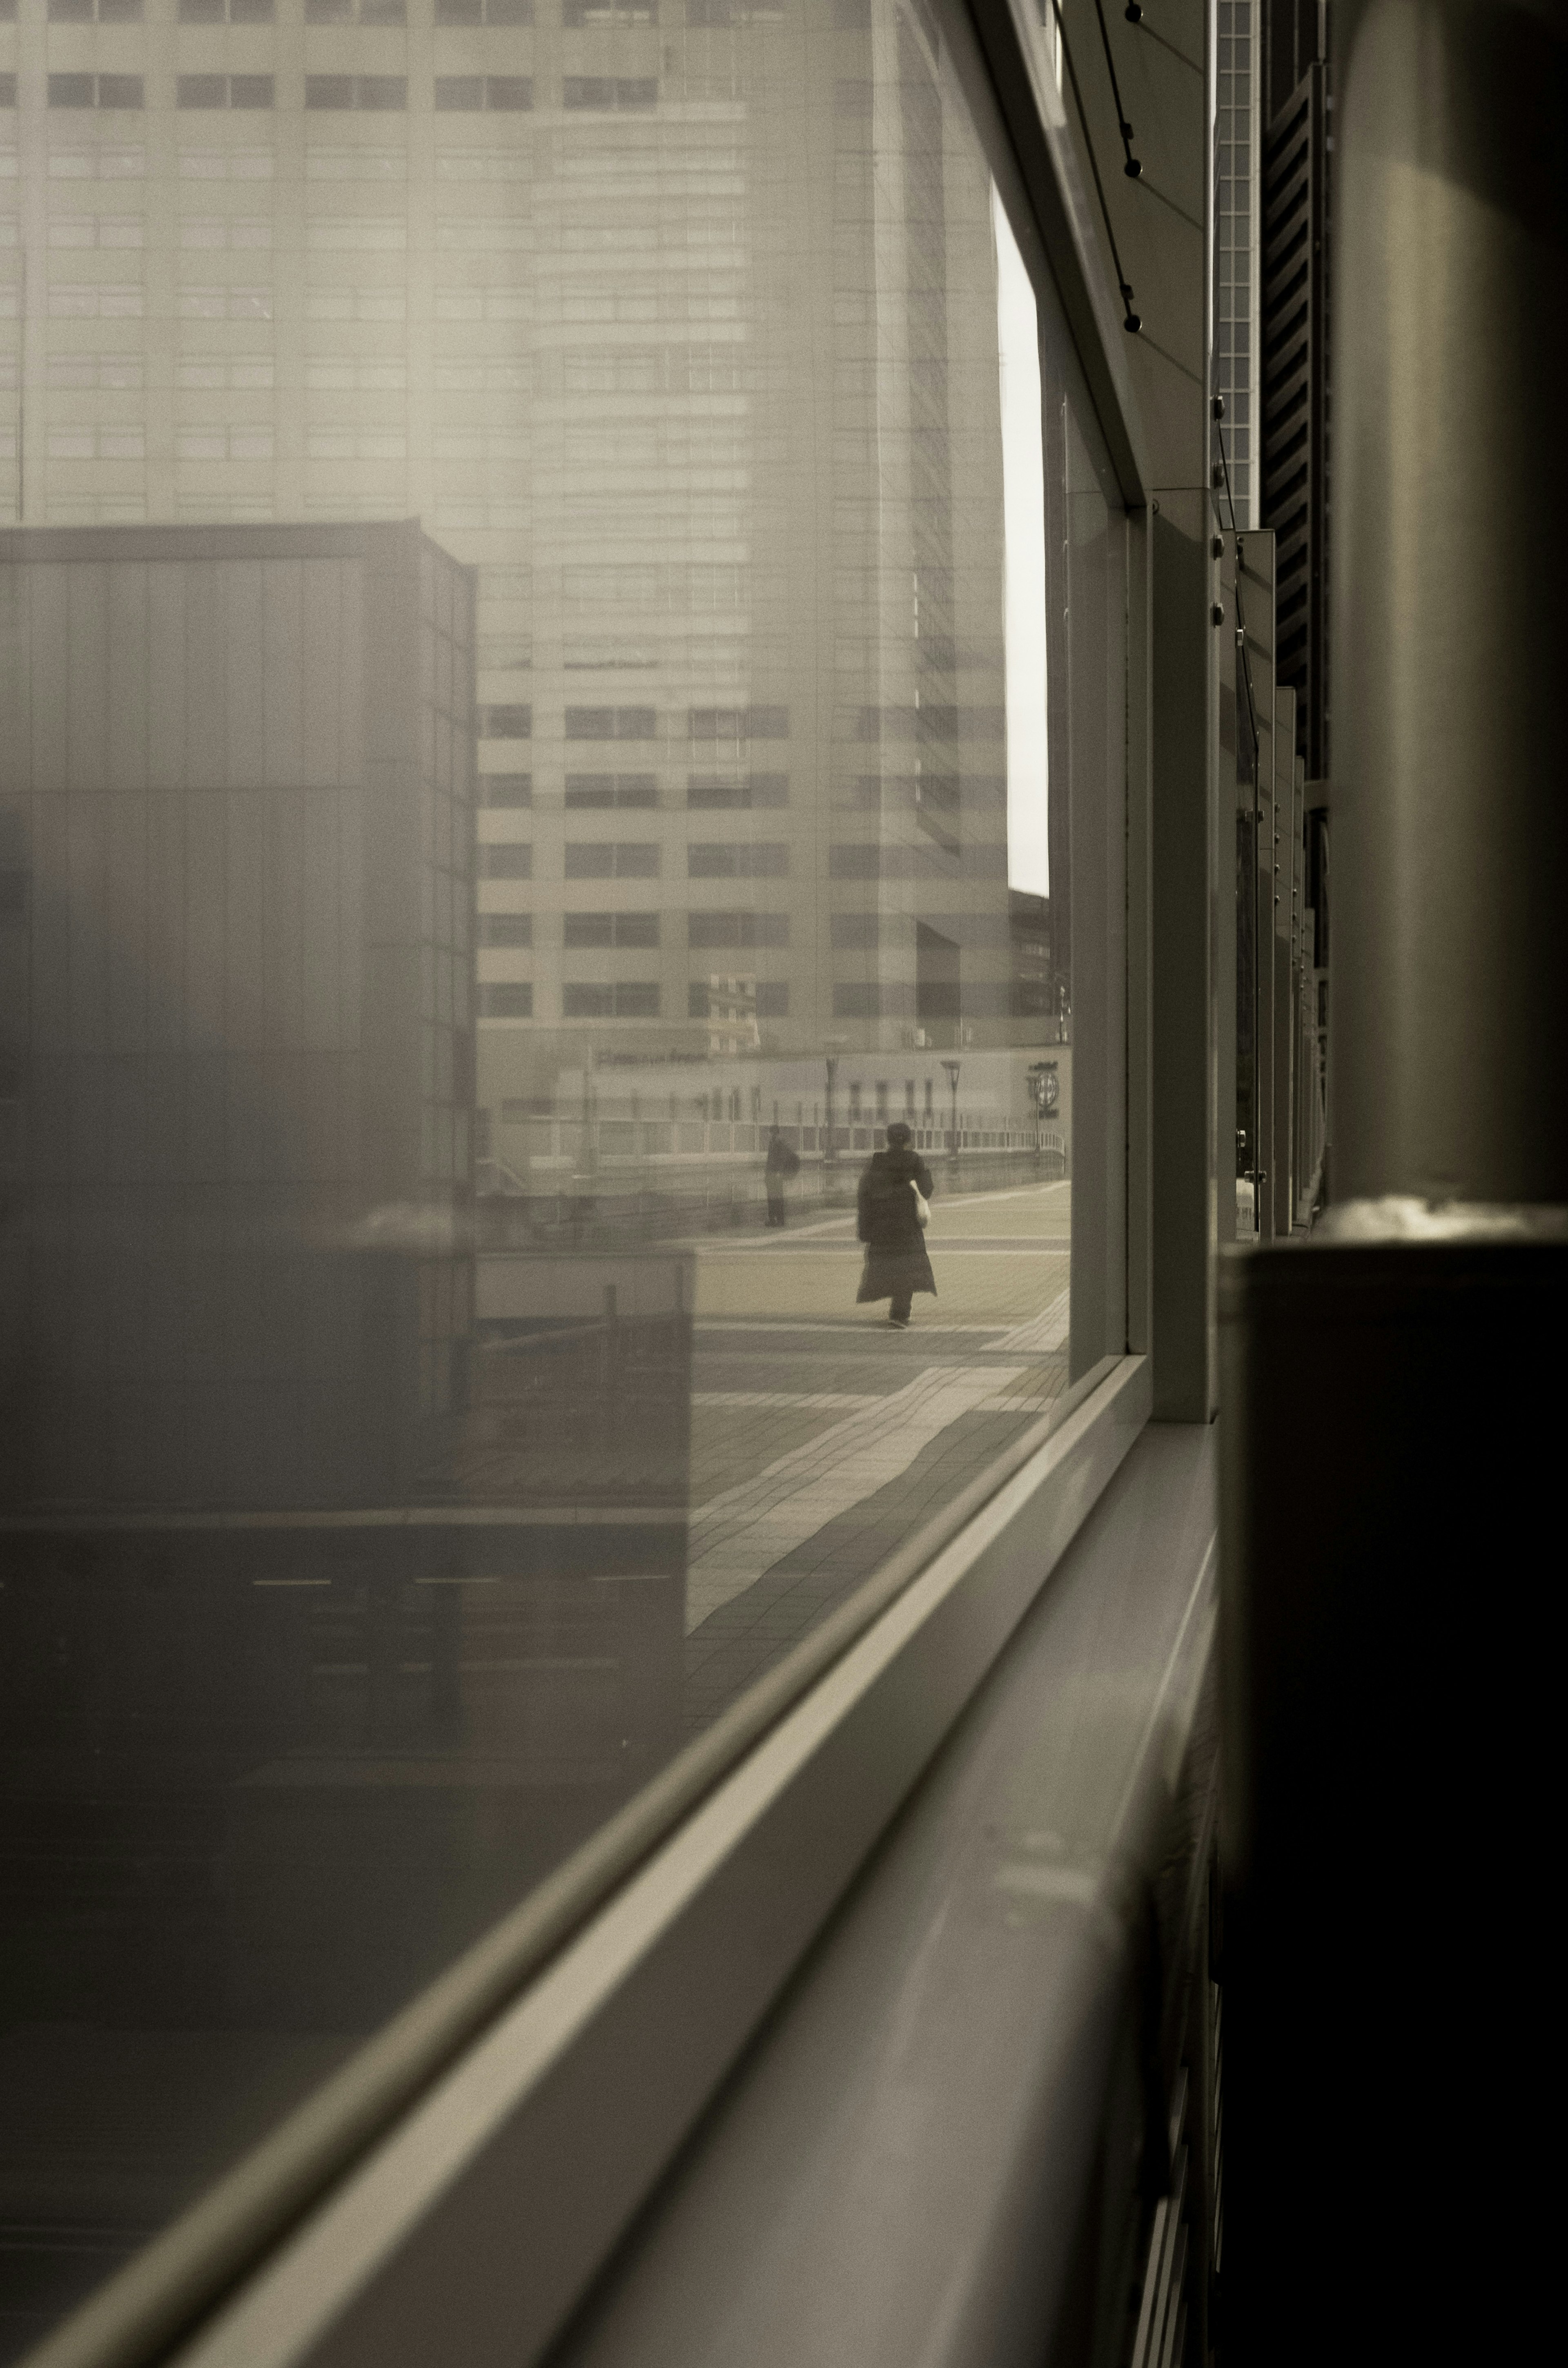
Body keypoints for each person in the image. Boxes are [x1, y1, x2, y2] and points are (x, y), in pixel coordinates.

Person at [855, 1120, 935, 1327]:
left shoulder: (878, 1161)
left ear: (888, 1139)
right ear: (909, 1140)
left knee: (889, 1265)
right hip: (908, 1225)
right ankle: (901, 1311)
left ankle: (897, 1309)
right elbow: (926, 1189)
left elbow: (865, 1194)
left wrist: (866, 1227)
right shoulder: (915, 1160)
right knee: (907, 1267)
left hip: (883, 1224)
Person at [764, 1124, 800, 1226]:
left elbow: (782, 1159)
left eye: (770, 1132)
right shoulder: (772, 1142)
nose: (768, 1134)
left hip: (776, 1175)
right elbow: (770, 1159)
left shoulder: (779, 1143)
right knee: (772, 1198)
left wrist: (779, 1172)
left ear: (773, 1133)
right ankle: (773, 1219)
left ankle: (779, 1220)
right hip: (771, 1174)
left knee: (777, 1198)